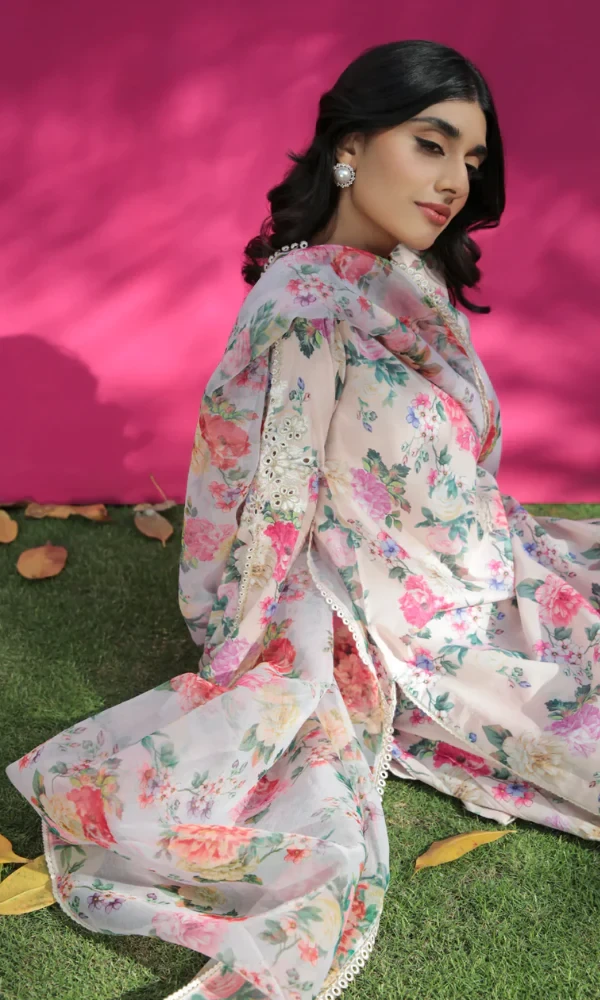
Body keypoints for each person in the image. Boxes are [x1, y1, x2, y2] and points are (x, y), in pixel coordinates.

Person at [5, 38, 600, 1000]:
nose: (455, 180)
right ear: (350, 146)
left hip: (482, 559)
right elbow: (271, 505)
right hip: (397, 613)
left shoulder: (403, 278)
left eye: (472, 159)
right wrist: (252, 648)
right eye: (432, 144)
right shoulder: (307, 309)